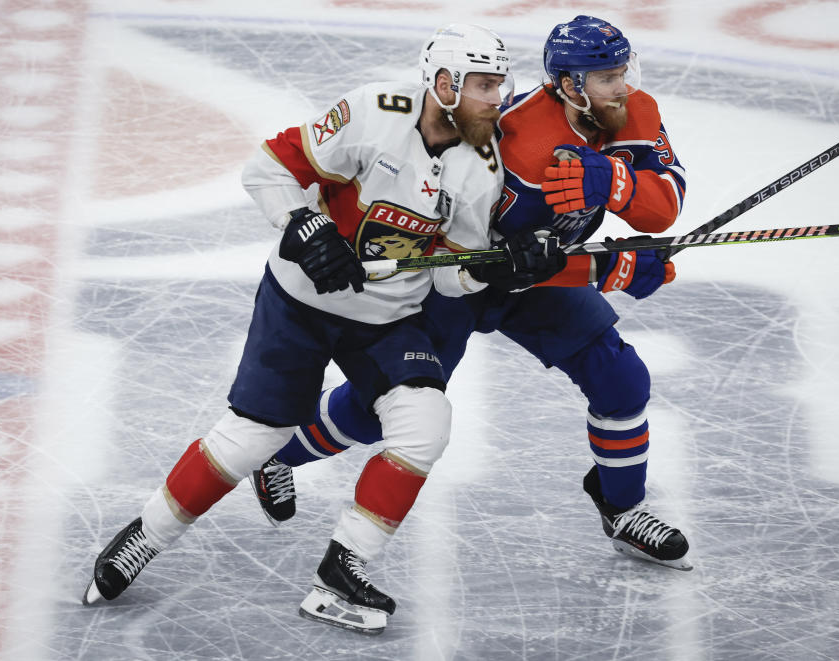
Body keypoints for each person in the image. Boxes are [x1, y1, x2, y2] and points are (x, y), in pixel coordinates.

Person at [82, 23, 564, 636]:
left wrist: (504, 270)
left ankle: (341, 572)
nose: (497, 99)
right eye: (484, 85)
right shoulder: (372, 112)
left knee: (426, 425)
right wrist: (302, 225)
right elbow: (266, 169)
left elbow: (449, 281)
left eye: (500, 84)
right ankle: (144, 537)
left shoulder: (481, 166)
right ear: (442, 84)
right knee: (253, 438)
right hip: (299, 304)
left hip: (387, 320)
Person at [253, 13, 693, 578]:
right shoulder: (518, 143)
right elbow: (492, 261)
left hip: (537, 273)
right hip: (460, 277)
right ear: (569, 85)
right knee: (379, 410)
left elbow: (667, 202)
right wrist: (605, 269)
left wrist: (616, 183)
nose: (622, 86)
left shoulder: (634, 109)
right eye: (606, 76)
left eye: (623, 70)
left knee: (622, 378)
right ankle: (278, 455)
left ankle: (623, 508)